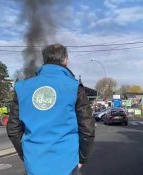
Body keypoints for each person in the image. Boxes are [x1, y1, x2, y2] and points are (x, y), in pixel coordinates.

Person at [7, 44, 95, 175]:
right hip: (68, 164)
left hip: (34, 165)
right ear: (66, 60)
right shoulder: (75, 87)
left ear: (45, 60)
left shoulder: (22, 88)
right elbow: (87, 129)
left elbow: (13, 128)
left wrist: (26, 156)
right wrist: (82, 158)